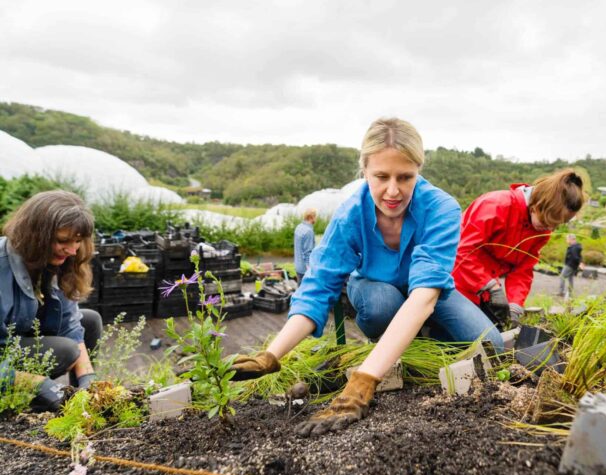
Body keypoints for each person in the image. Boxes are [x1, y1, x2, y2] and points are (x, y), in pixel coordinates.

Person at [230, 117, 500, 436]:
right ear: (365, 170)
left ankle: (407, 343)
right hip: (374, 289)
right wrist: (270, 356)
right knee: (383, 303)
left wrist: (363, 381)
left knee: (491, 345)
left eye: (405, 177)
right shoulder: (350, 214)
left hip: (427, 292)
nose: (393, 190)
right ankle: (388, 346)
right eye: (381, 176)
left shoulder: (441, 208)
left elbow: (426, 295)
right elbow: (317, 288)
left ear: (419, 170)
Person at [0, 190, 103, 410]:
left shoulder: (58, 263)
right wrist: (38, 385)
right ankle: (23, 404)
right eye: (62, 240)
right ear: (35, 236)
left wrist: (88, 378)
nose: (73, 250)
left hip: (17, 343)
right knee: (65, 350)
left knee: (89, 321)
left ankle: (82, 402)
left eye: (77, 241)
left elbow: (70, 324)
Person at [453, 169, 586, 326]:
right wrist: (490, 287)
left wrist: (515, 305)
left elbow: (523, 269)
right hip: (453, 282)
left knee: (493, 337)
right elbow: (462, 250)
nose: (550, 228)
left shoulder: (541, 231)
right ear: (539, 204)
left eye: (557, 224)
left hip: (482, 289)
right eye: (548, 221)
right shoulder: (496, 205)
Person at [293, 208, 317, 285]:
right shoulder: (309, 231)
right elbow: (307, 253)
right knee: (305, 294)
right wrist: (309, 270)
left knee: (299, 291)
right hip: (304, 269)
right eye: (315, 216)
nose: (316, 219)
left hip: (297, 266)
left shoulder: (299, 227)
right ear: (311, 217)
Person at [558, 234, 583, 298]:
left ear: (571, 239)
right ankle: (570, 293)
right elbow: (579, 256)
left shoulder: (574, 247)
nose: (566, 240)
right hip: (573, 265)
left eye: (567, 239)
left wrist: (580, 263)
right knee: (570, 278)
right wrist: (580, 263)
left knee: (562, 277)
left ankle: (561, 292)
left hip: (570, 265)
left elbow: (575, 257)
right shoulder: (576, 246)